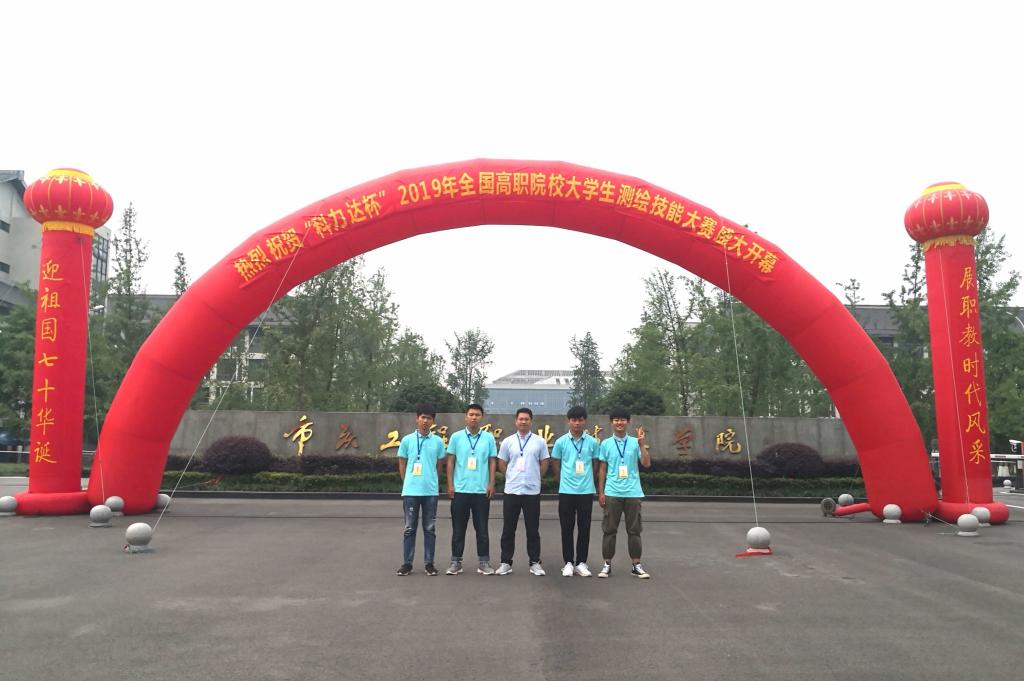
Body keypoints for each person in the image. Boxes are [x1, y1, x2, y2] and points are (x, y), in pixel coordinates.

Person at [596, 407, 652, 579]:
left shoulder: (636, 442)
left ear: (628, 422)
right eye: (616, 420)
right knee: (609, 530)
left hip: (633, 492)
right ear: (611, 422)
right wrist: (601, 492)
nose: (619, 422)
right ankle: (607, 564)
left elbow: (646, 463)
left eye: (622, 420)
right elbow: (602, 469)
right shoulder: (606, 444)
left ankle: (636, 565)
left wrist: (642, 445)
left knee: (634, 530)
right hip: (612, 492)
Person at [496, 407, 550, 576]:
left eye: (526, 419)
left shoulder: (539, 442)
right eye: (521, 419)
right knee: (508, 529)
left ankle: (535, 562)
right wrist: (510, 476)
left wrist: (535, 477)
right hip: (512, 490)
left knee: (532, 529)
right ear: (516, 421)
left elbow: (544, 462)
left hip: (531, 492)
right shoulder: (508, 441)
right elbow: (502, 462)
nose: (523, 421)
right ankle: (506, 562)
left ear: (531, 421)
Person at [445, 403, 498, 576]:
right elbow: (450, 461)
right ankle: (455, 562)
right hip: (460, 490)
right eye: (471, 414)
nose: (474, 417)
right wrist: (450, 484)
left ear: (482, 417)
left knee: (482, 529)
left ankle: (484, 562)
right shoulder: (456, 437)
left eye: (477, 415)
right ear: (466, 417)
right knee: (458, 529)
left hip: (481, 491)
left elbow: (492, 461)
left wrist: (491, 483)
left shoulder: (488, 438)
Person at [396, 404, 446, 576]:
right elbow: (402, 464)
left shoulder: (438, 442)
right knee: (409, 528)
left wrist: (432, 481)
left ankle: (429, 563)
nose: (425, 421)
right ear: (417, 418)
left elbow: (439, 466)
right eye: (423, 417)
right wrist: (408, 482)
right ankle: (407, 564)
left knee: (430, 529)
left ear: (433, 421)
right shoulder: (407, 440)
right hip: (411, 492)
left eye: (429, 418)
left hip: (430, 492)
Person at [550, 405, 600, 577]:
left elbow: (595, 464)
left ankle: (581, 563)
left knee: (584, 528)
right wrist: (562, 480)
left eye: (580, 420)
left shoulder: (592, 442)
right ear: (568, 421)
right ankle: (568, 563)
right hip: (566, 491)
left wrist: (589, 479)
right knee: (567, 528)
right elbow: (555, 463)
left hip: (586, 491)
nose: (577, 423)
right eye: (574, 420)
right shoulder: (561, 442)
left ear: (585, 421)